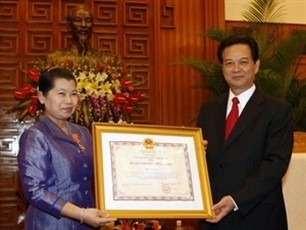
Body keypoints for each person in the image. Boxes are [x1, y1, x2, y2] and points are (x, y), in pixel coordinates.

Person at [197, 35, 294, 230]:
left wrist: (235, 199)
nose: (236, 69)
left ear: (256, 65)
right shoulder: (208, 109)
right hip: (212, 216)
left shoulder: (277, 110)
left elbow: (275, 165)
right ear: (222, 68)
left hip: (257, 217)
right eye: (229, 63)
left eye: (243, 62)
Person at [17, 67, 117, 229]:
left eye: (74, 94)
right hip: (51, 223)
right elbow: (34, 191)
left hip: (86, 222)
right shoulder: (36, 135)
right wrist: (81, 214)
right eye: (61, 93)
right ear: (42, 97)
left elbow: (98, 175)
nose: (69, 101)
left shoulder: (83, 132)